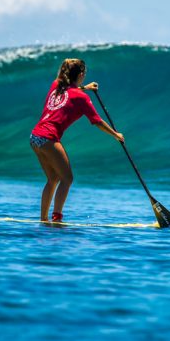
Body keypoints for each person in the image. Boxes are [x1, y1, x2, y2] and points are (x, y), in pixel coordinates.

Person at [30, 58, 124, 222]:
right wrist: (116, 135)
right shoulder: (81, 98)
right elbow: (96, 121)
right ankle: (57, 218)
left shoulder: (56, 85)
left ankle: (43, 219)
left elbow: (70, 89)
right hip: (48, 137)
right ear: (81, 74)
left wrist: (85, 88)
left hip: (35, 136)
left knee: (53, 179)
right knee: (67, 179)